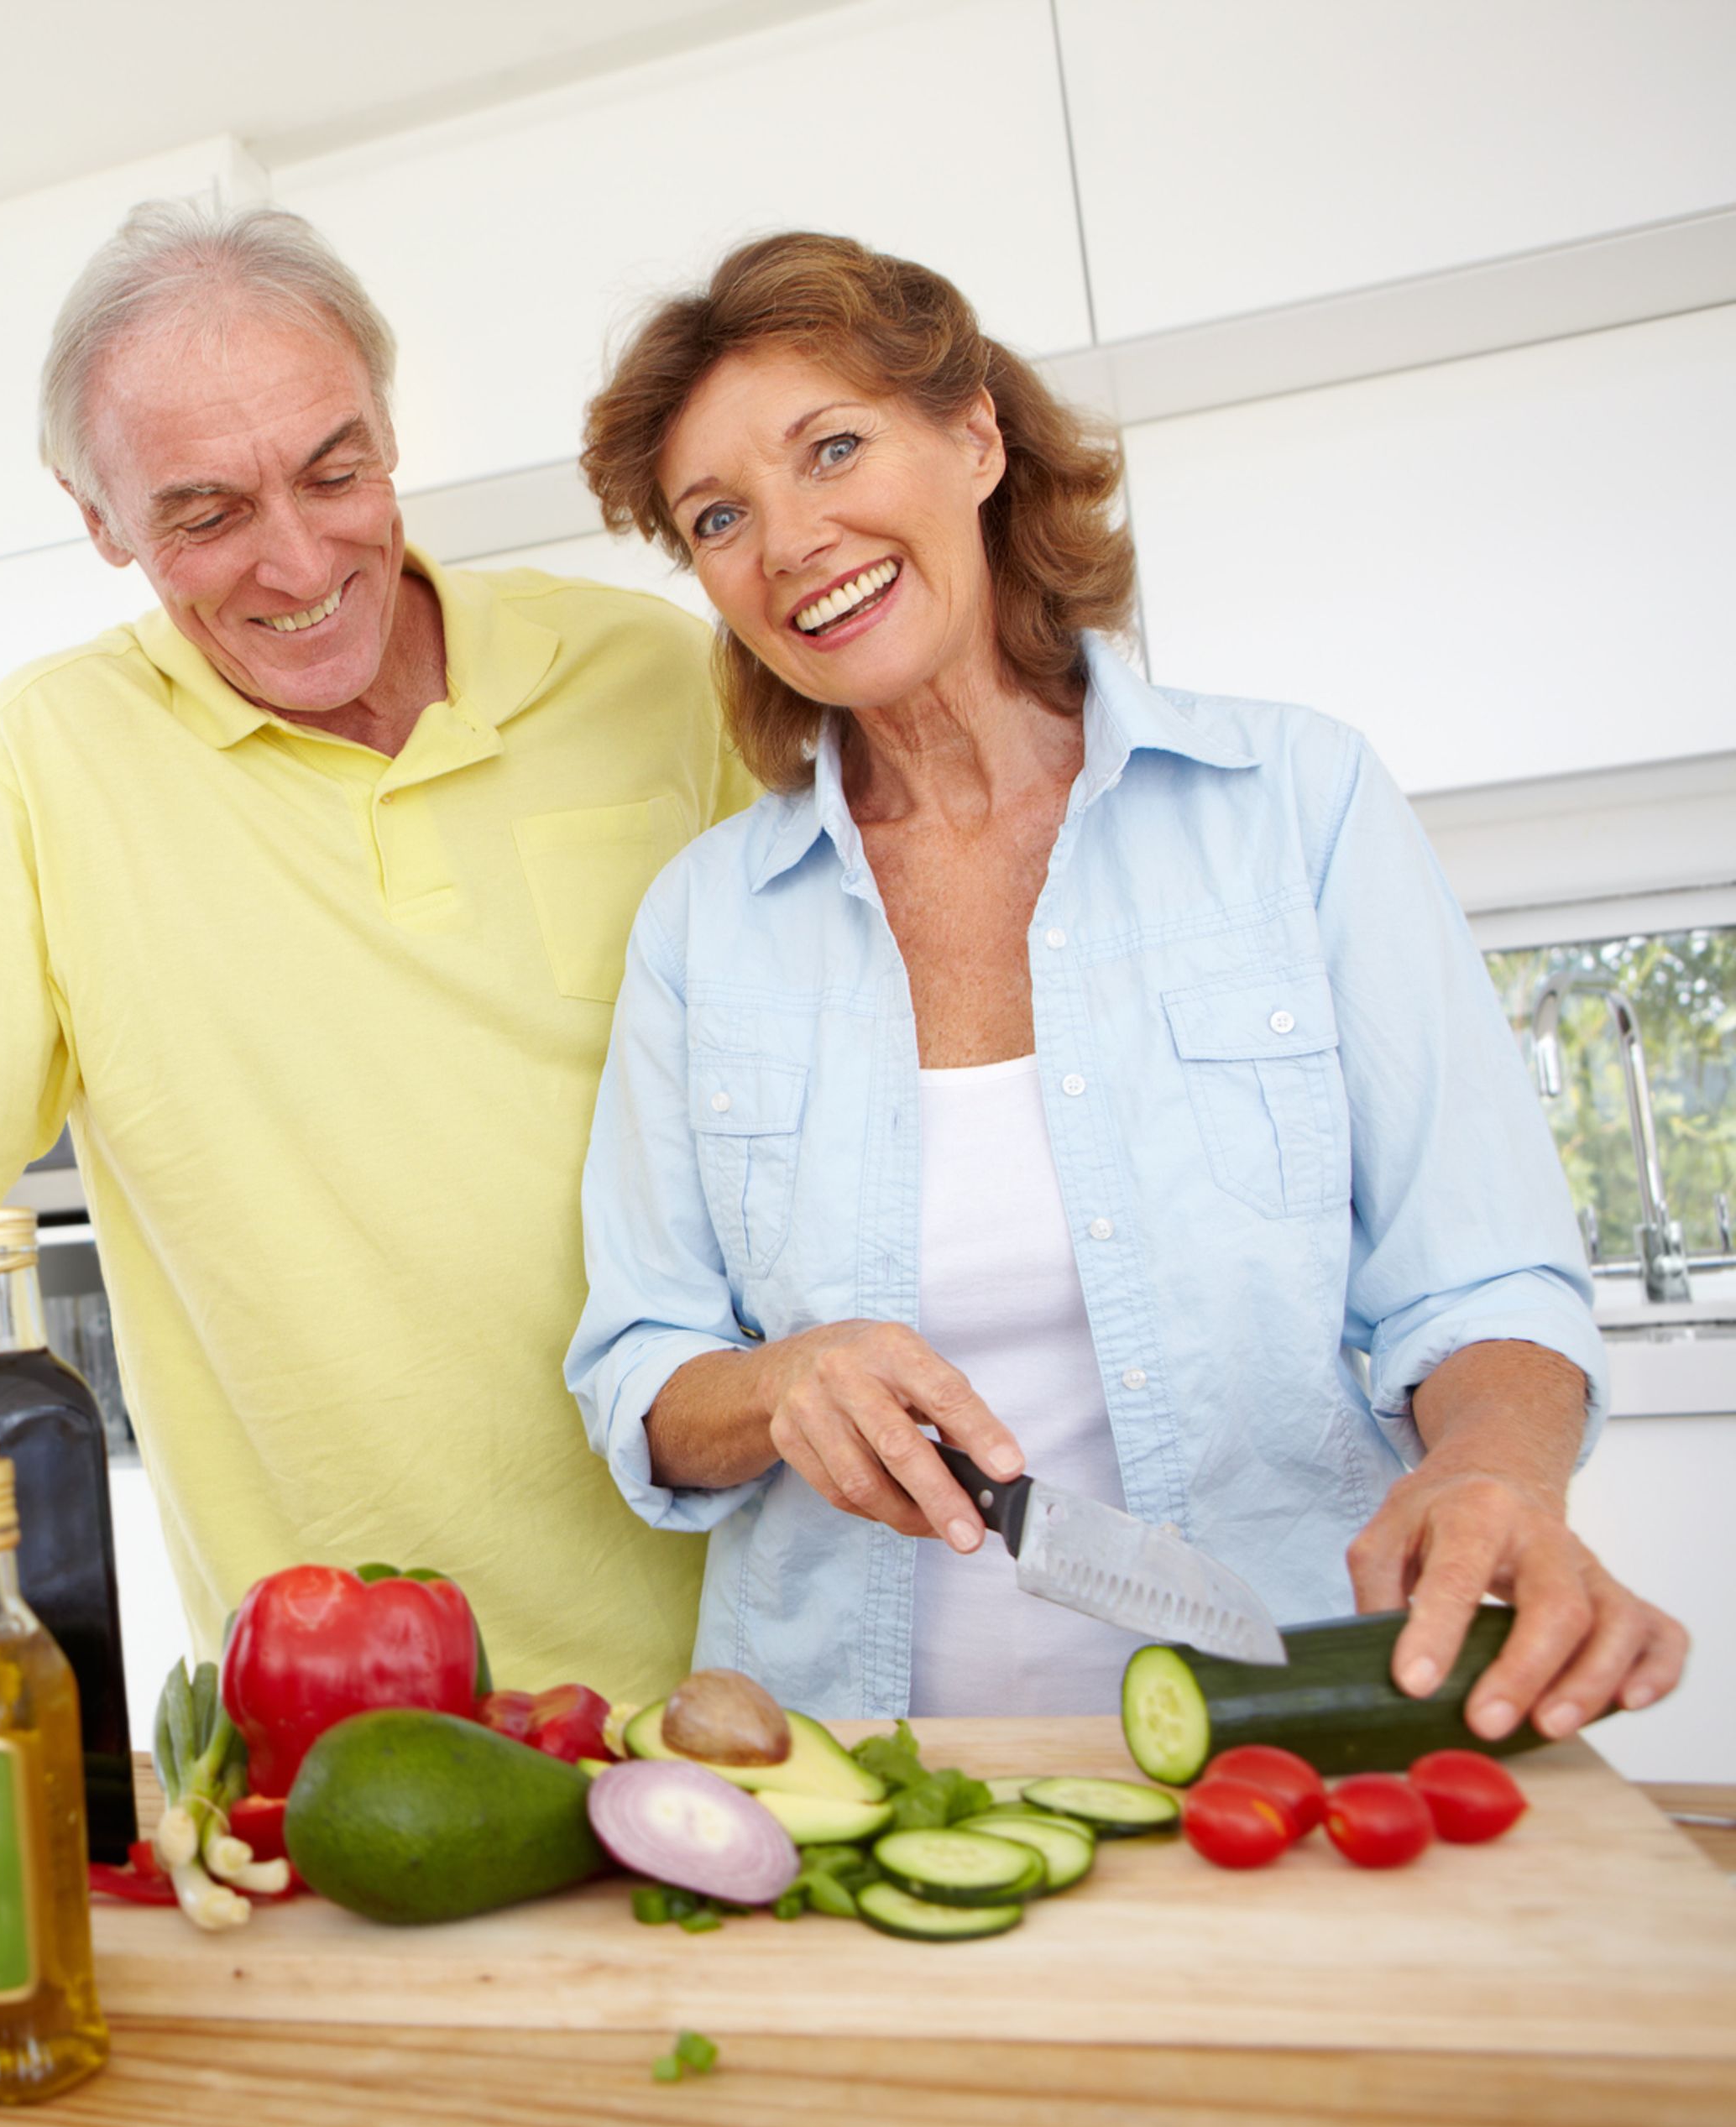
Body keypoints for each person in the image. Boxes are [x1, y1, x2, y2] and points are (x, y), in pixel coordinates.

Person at [564, 232, 1687, 1736]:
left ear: (975, 439)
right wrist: (778, 1388)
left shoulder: (1298, 802)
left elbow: (1478, 1280)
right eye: (718, 516)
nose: (790, 542)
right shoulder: (705, 925)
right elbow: (643, 1363)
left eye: (834, 447)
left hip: (1290, 1736)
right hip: (847, 1764)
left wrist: (1487, 1467)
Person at [0, 199, 759, 1696]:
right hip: (343, 1731)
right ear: (100, 520)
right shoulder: (45, 764)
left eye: (338, 471)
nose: (301, 559)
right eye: (205, 515)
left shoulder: (654, 676)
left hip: (768, 1656)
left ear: (390, 427)